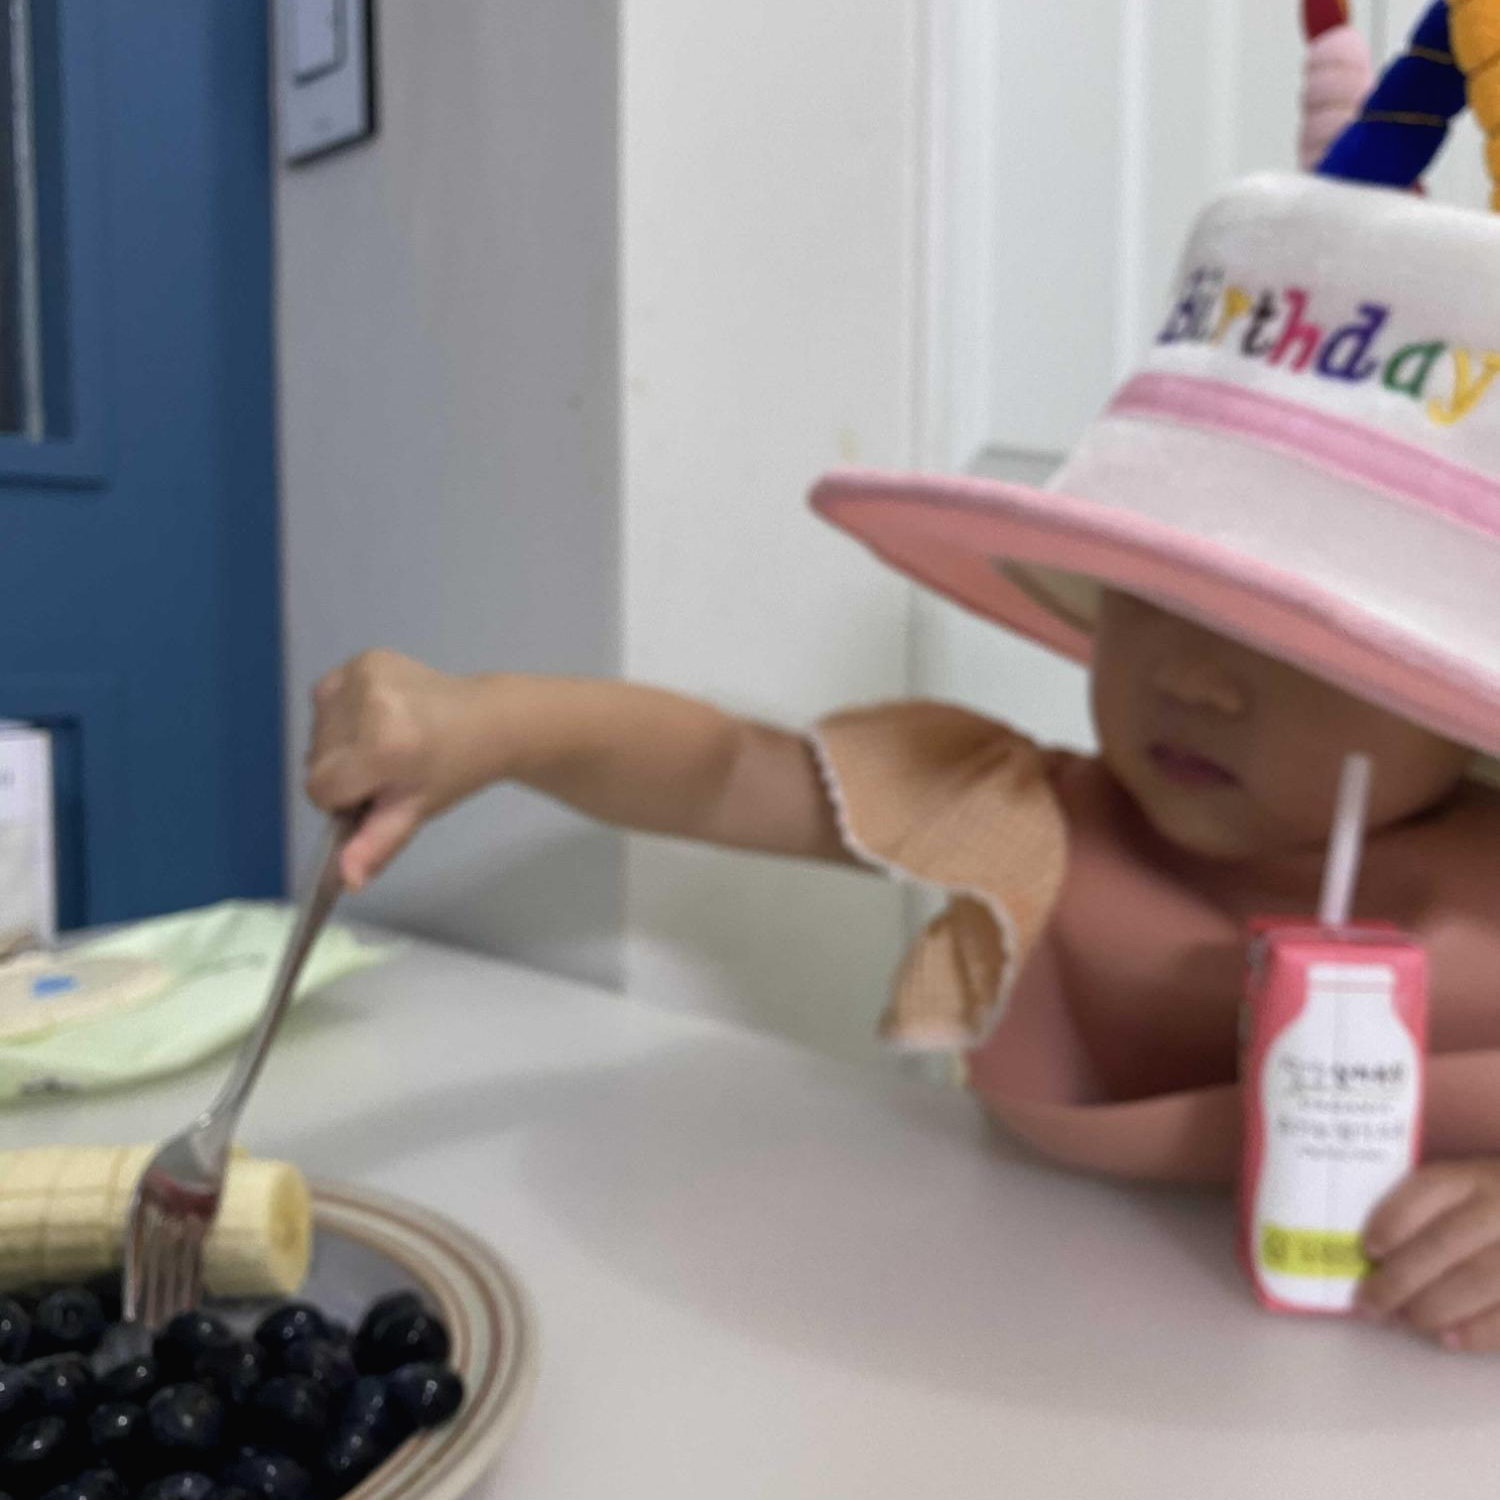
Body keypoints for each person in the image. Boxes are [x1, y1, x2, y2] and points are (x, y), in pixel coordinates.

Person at [307, 3, 1500, 1350]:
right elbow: (733, 771)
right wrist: (491, 723)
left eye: (1305, 637)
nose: (1198, 682)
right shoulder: (1031, 824)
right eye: (1153, 588)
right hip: (1011, 1365)